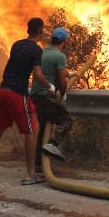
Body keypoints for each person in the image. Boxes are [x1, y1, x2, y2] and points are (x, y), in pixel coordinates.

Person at [0, 17, 58, 186]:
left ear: (27, 30)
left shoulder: (16, 44)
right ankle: (31, 174)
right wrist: (50, 87)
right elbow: (38, 75)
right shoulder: (37, 50)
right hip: (17, 94)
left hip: (3, 92)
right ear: (41, 31)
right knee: (30, 132)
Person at [30, 26, 76, 167]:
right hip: (47, 98)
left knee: (43, 130)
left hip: (35, 97)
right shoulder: (60, 56)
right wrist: (62, 95)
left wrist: (69, 73)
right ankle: (53, 144)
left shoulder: (42, 52)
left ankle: (38, 165)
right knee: (66, 121)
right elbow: (61, 81)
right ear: (64, 41)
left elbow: (50, 70)